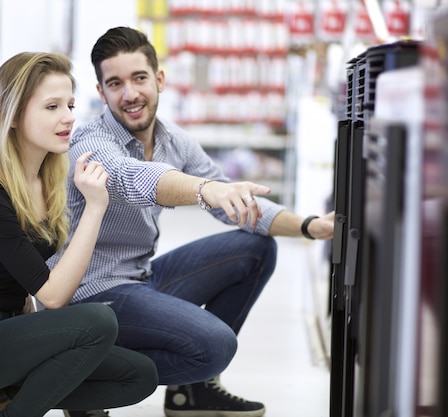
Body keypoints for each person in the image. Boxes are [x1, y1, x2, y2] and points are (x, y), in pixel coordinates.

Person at [46, 27, 335, 417]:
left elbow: (233, 199)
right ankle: (83, 380)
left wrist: (309, 226)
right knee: (215, 347)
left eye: (139, 78)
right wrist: (205, 189)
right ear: (101, 93)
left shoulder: (174, 141)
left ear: (159, 80)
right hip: (91, 295)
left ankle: (192, 394)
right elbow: (132, 177)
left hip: (140, 280)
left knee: (255, 249)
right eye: (115, 83)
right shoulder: (90, 142)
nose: (129, 94)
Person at [0, 51, 158, 417]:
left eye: (70, 105)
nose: (68, 117)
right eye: (52, 107)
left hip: (8, 334)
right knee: (98, 321)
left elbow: (24, 285)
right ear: (12, 115)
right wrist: (96, 207)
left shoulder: (44, 182)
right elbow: (55, 295)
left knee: (138, 375)